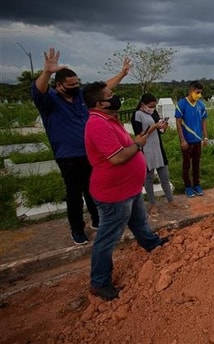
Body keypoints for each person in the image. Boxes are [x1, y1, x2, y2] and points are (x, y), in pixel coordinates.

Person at [31, 48, 131, 245]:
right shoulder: (49, 100)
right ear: (59, 86)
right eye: (70, 85)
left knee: (93, 189)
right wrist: (47, 72)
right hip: (68, 156)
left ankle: (97, 220)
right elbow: (38, 89)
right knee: (74, 194)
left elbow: (103, 88)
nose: (75, 86)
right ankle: (77, 229)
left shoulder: (80, 97)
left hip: (91, 153)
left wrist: (122, 74)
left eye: (77, 83)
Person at [83, 82, 169, 301]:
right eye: (110, 95)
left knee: (139, 221)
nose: (115, 97)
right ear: (98, 103)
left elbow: (122, 146)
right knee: (107, 238)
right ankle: (99, 282)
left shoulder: (108, 120)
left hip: (129, 188)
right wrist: (138, 144)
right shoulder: (97, 124)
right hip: (114, 194)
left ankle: (151, 243)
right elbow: (118, 157)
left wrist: (136, 141)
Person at [131, 93, 178, 216]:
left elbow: (159, 130)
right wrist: (154, 126)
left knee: (165, 176)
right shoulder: (137, 115)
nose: (152, 108)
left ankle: (170, 200)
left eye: (154, 106)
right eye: (150, 106)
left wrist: (163, 127)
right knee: (149, 178)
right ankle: (152, 204)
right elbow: (140, 135)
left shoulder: (154, 113)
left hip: (158, 149)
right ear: (143, 104)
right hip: (146, 149)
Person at [175, 81, 208, 198]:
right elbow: (178, 123)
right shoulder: (182, 104)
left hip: (197, 140)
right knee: (186, 164)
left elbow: (204, 122)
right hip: (187, 140)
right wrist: (182, 140)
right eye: (197, 92)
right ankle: (187, 187)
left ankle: (196, 185)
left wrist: (205, 137)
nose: (199, 95)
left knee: (196, 164)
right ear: (191, 91)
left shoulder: (201, 105)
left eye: (200, 93)